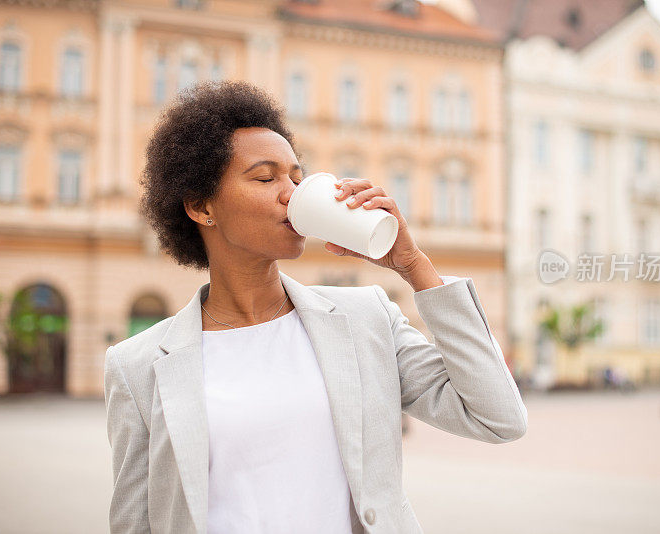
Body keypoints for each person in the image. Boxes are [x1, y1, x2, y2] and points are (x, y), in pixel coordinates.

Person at [103, 80, 528, 534]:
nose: (291, 193)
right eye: (266, 178)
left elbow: (497, 417)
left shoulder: (367, 318)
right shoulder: (138, 366)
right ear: (200, 206)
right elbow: (136, 522)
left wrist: (412, 265)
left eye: (296, 178)